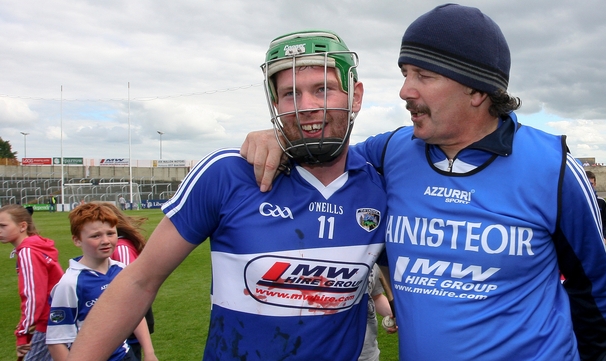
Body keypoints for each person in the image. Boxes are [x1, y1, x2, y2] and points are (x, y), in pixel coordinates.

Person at [240, 4, 606, 360]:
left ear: (477, 89)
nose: (405, 90)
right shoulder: (389, 153)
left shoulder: (552, 167)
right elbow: (326, 154)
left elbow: (592, 292)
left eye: (424, 75)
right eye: (405, 73)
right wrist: (281, 140)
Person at [66, 30, 386, 361]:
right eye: (291, 94)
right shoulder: (227, 174)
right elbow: (139, 282)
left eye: (324, 89)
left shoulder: (379, 186)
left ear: (356, 96)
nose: (307, 107)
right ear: (275, 103)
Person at [45, 202, 157, 361]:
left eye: (110, 233)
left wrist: (149, 352)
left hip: (124, 355)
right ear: (77, 240)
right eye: (96, 236)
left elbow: (133, 313)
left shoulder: (121, 270)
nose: (105, 240)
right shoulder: (70, 284)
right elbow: (57, 341)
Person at [0, 204, 64, 361]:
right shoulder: (34, 246)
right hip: (57, 320)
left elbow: (33, 297)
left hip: (48, 323)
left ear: (22, 226)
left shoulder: (28, 252)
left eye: (3, 226)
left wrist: (22, 333)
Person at [104, 202, 156, 360]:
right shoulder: (118, 246)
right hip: (125, 322)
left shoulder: (121, 248)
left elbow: (130, 291)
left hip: (130, 324)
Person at [358, 264, 396, 361]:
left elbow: (376, 296)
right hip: (326, 352)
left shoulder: (371, 258)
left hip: (366, 352)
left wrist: (396, 317)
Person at [586, 171, 606, 243]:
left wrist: (605, 237)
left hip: (598, 242)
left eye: (591, 184)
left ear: (595, 184)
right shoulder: (576, 202)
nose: (589, 186)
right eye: (586, 184)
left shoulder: (601, 202)